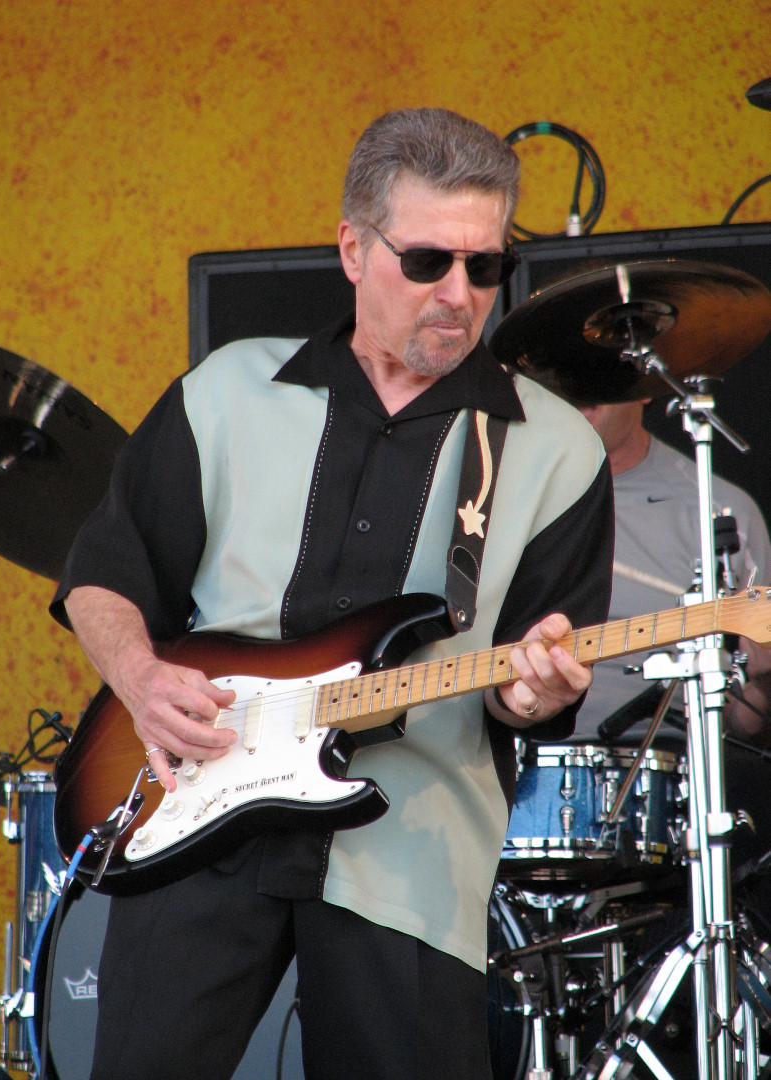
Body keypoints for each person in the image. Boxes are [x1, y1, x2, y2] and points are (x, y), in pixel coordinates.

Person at [50, 107, 614, 1080]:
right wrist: (141, 677)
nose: (461, 294)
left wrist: (536, 691)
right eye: (430, 260)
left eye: (487, 269)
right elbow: (107, 570)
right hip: (197, 812)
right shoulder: (228, 392)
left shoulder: (557, 450)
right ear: (354, 248)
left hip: (413, 856)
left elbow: (526, 679)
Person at [572, 399, 771, 931]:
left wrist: (760, 674)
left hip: (668, 779)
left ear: (645, 386)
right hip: (511, 763)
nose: (580, 389)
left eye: (604, 374)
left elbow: (744, 721)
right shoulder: (492, 496)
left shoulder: (716, 506)